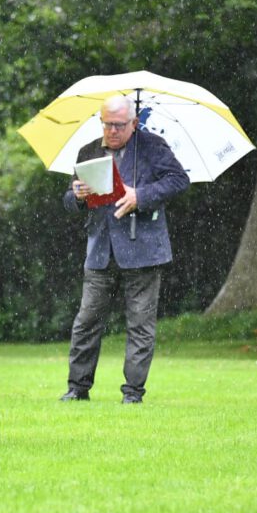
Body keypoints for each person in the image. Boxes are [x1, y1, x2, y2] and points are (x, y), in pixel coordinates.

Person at [60, 94, 189, 404]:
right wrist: (76, 195)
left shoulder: (153, 147)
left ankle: (133, 393)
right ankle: (77, 389)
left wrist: (140, 196)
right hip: (100, 250)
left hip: (143, 251)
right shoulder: (88, 151)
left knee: (140, 326)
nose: (112, 131)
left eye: (118, 125)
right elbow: (69, 203)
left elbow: (179, 180)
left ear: (134, 123)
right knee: (86, 322)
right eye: (106, 124)